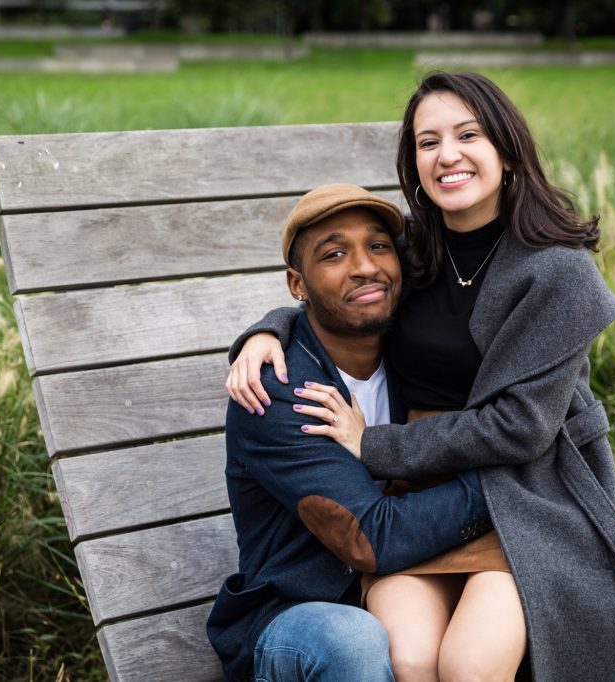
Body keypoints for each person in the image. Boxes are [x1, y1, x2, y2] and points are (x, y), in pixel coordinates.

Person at [226, 72, 615, 681]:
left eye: (468, 134)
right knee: (410, 657)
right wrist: (269, 330)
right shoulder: (414, 253)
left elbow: (524, 427)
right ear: (413, 161)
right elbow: (348, 294)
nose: (447, 155)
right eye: (427, 141)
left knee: (468, 664)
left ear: (505, 147)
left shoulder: (558, 274)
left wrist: (374, 444)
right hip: (416, 499)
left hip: (526, 492)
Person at [207, 183, 498, 682]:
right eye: (335, 254)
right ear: (297, 284)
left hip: (411, 581)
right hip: (303, 611)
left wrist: (268, 324)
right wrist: (512, 486)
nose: (365, 267)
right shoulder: (277, 389)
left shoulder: (413, 348)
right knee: (356, 641)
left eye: (379, 246)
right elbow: (371, 538)